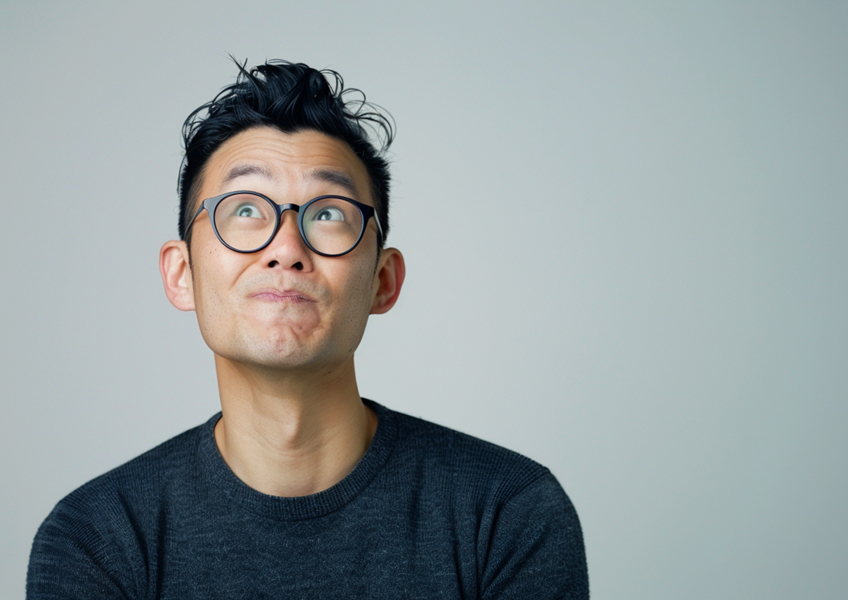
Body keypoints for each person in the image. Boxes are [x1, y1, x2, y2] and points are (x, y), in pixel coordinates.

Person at [27, 59, 588, 598]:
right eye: (245, 210)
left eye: (327, 213)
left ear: (383, 281)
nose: (286, 249)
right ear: (182, 274)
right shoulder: (97, 538)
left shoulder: (507, 512)